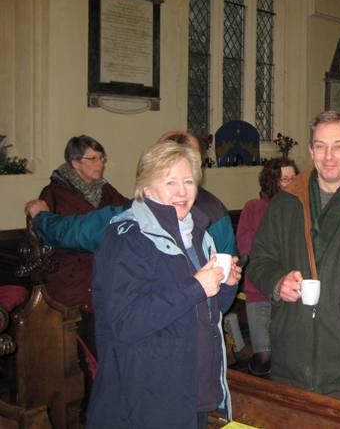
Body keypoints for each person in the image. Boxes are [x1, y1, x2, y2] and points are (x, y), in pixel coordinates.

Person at [87, 141, 242, 429]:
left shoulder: (197, 234)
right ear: (147, 189)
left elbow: (210, 310)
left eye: (188, 181)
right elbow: (125, 322)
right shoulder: (127, 239)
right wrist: (195, 287)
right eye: (170, 182)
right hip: (147, 396)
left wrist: (227, 284)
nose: (182, 191)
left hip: (192, 387)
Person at [246, 111, 340, 402]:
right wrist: (277, 282)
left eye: (338, 146)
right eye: (320, 146)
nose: (328, 156)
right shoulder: (285, 204)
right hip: (290, 360)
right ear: (310, 150)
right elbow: (260, 257)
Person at [24, 132, 236, 257]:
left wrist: (42, 219)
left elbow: (83, 231)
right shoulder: (216, 209)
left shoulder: (143, 213)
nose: (181, 192)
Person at [37, 135, 128, 412]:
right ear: (75, 163)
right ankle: (96, 410)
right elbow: (50, 235)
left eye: (102, 158)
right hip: (75, 286)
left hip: (108, 283)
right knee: (94, 359)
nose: (100, 163)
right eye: (93, 158)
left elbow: (126, 216)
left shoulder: (106, 191)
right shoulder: (54, 194)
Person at [237, 157, 298, 376]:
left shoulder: (300, 208)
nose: (291, 183)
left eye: (293, 178)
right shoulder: (253, 208)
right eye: (285, 179)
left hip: (290, 293)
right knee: (264, 356)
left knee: (287, 356)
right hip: (259, 291)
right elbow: (245, 246)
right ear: (272, 182)